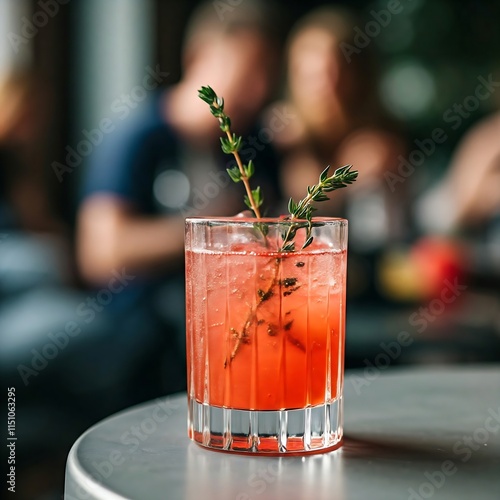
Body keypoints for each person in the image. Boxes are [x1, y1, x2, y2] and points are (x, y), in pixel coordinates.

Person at [76, 1, 283, 392]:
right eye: (247, 72)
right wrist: (212, 228)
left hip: (235, 324)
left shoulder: (254, 145)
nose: (257, 90)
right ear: (198, 57)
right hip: (144, 333)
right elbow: (100, 252)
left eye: (267, 75)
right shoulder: (138, 136)